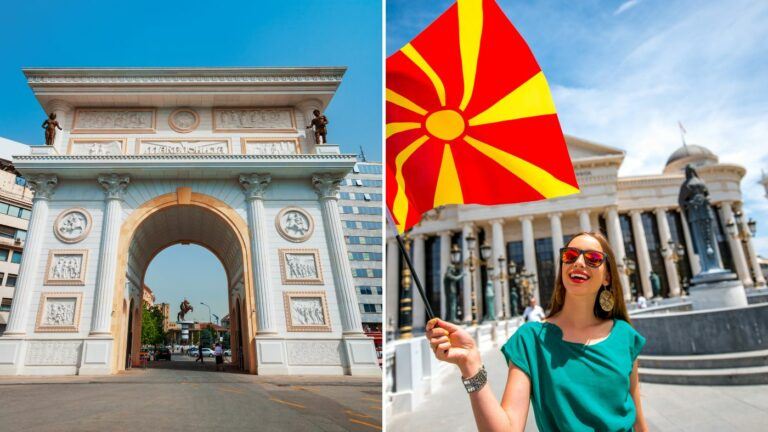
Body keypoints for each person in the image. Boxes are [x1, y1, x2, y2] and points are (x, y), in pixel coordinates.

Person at [426, 231, 648, 432]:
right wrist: (470, 364)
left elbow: (638, 422)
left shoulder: (624, 335)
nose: (579, 262)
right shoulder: (531, 339)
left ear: (607, 277)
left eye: (592, 258)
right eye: (570, 255)